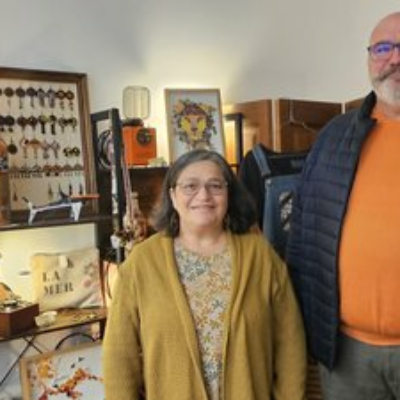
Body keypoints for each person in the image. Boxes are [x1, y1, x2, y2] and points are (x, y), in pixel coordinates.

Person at [103, 148, 307, 400]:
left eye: (215, 186)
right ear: (173, 196)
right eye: (190, 186)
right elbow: (119, 356)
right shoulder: (141, 264)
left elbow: (290, 342)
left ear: (228, 195)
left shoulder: (261, 256)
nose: (204, 195)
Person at [286, 11, 400, 400]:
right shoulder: (334, 136)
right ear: (370, 58)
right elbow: (303, 235)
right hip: (348, 356)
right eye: (383, 48)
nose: (395, 59)